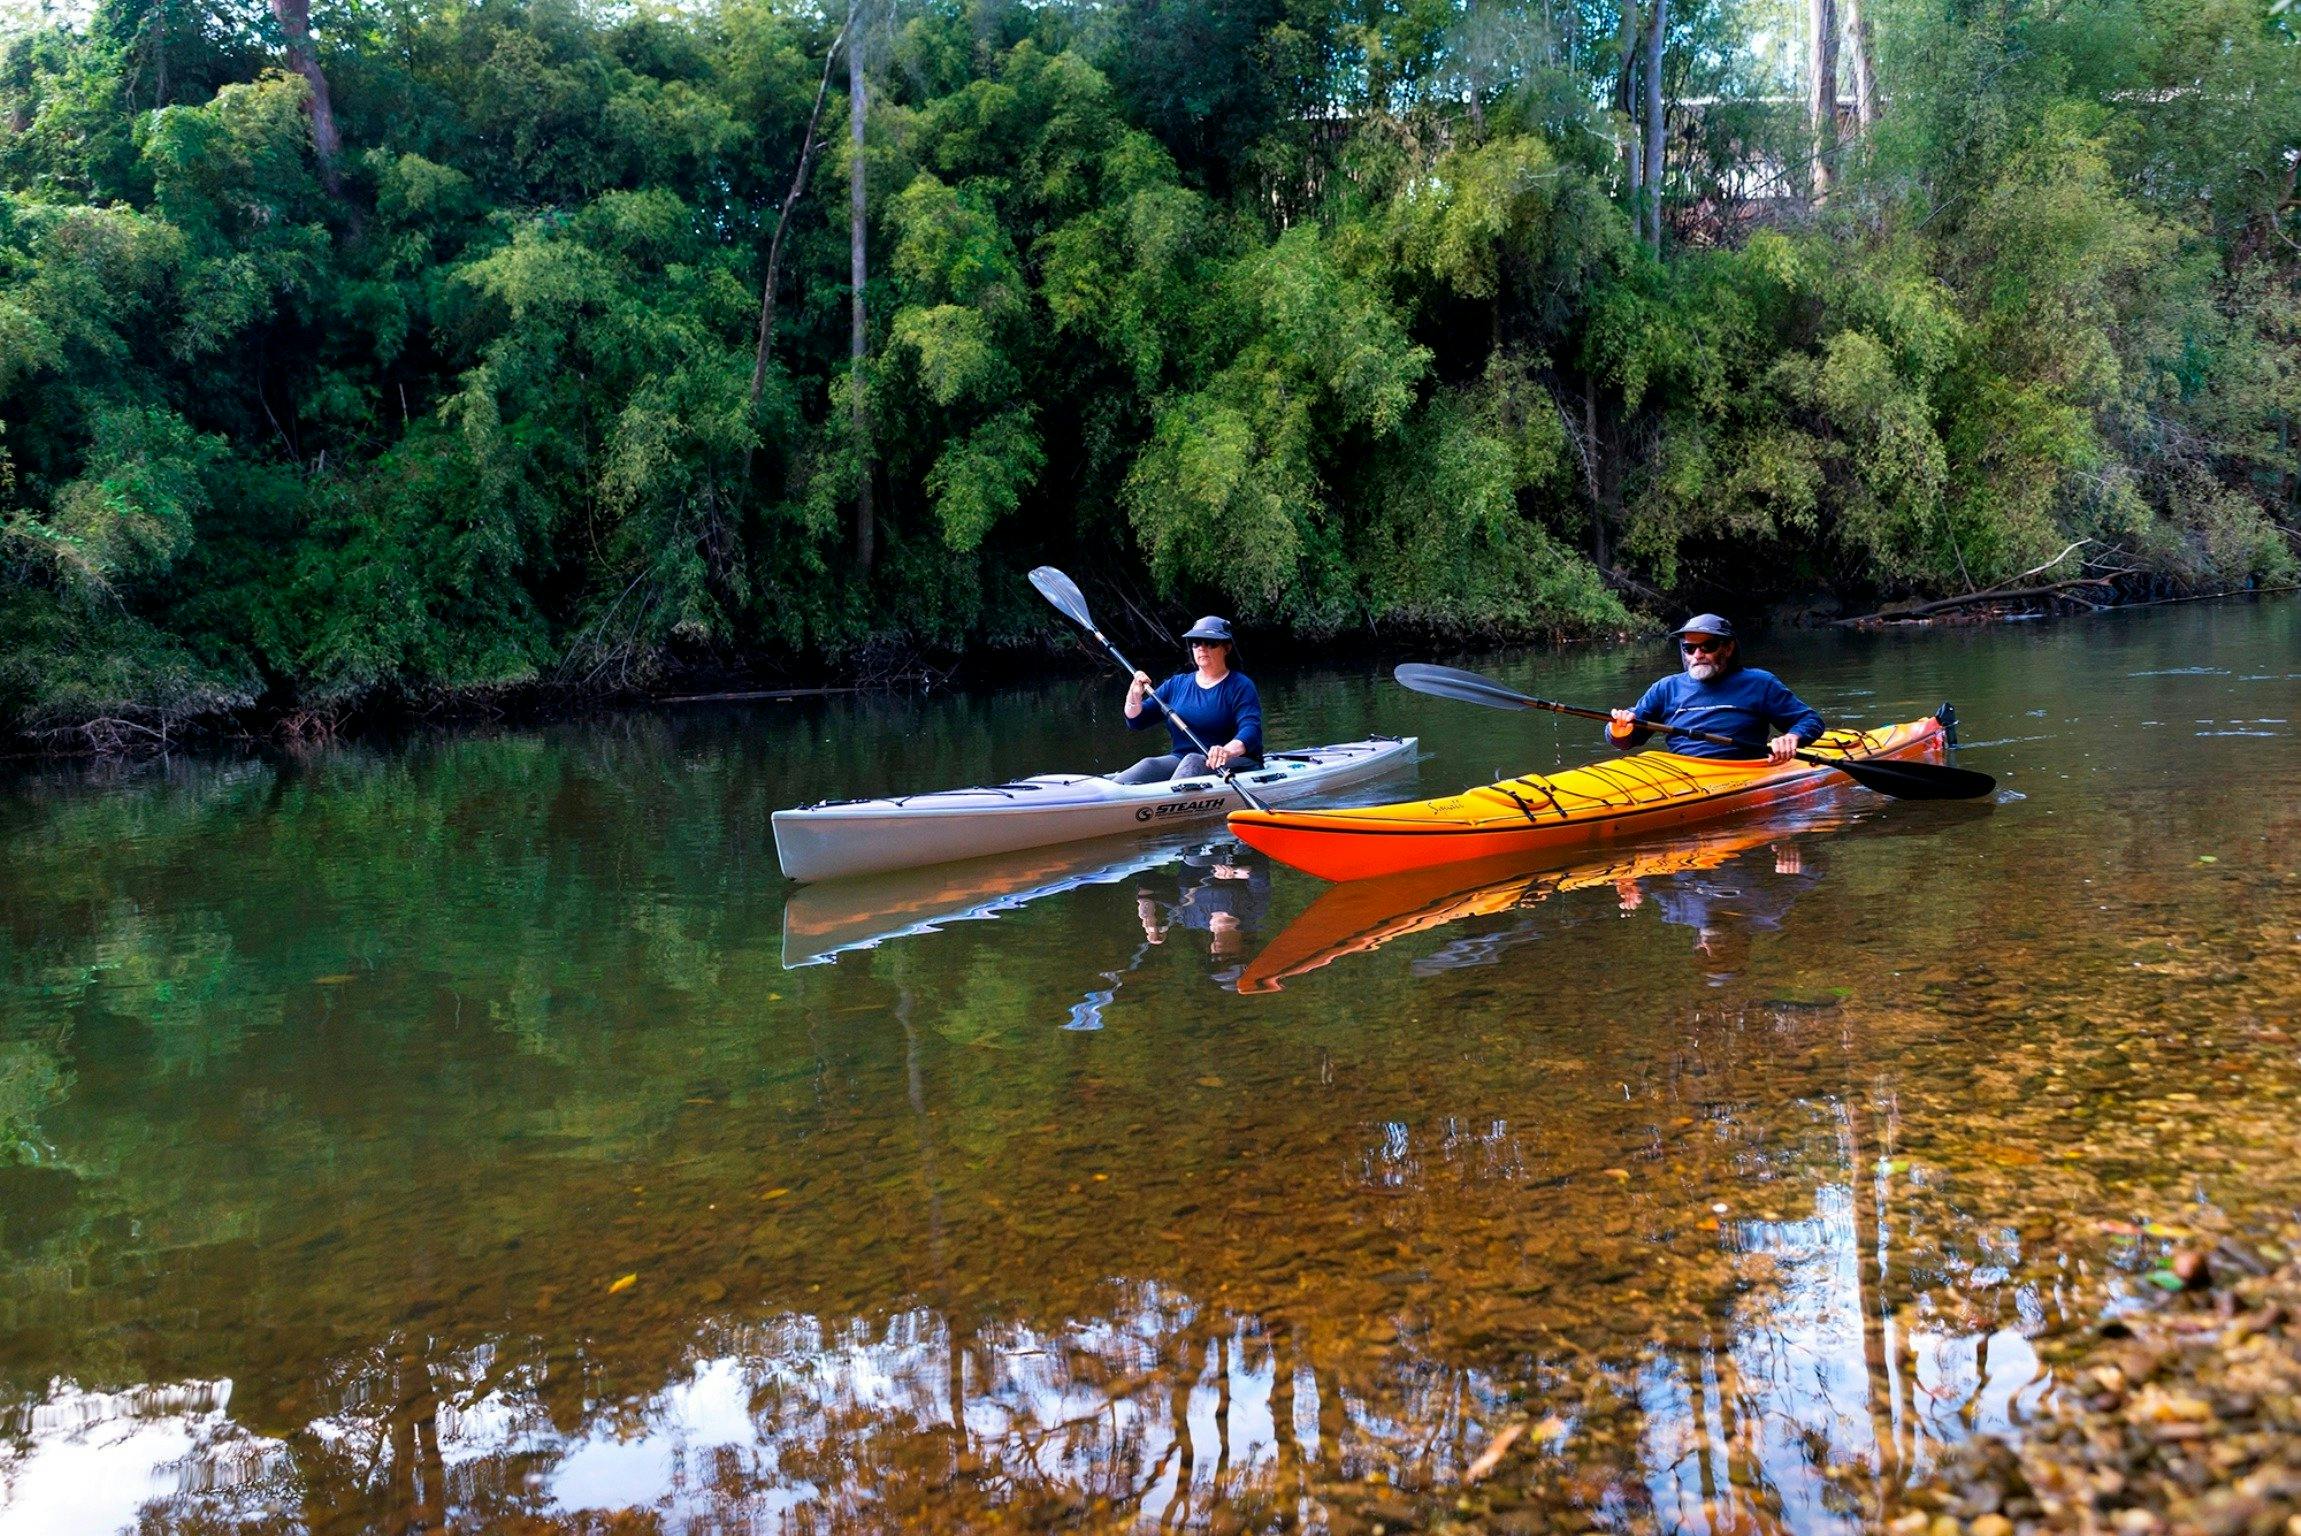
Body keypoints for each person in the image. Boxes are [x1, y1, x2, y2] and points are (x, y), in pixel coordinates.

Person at [1606, 614, 1824, 765]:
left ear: (1728, 648)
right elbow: (1626, 741)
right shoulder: (1665, 688)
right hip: (1682, 772)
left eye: (1707, 646)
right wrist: (1619, 728)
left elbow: (1810, 721)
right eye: (1689, 648)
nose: (1697, 655)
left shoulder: (1760, 683)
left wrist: (1792, 737)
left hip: (1741, 771)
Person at [1114, 616, 1263, 783]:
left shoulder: (1241, 686)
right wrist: (1134, 695)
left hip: (1230, 761)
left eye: (1211, 643)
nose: (1202, 648)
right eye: (1196, 643)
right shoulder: (1176, 684)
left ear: (1226, 648)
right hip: (1181, 759)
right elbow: (1136, 721)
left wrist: (1225, 751)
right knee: (1148, 764)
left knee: (1192, 761)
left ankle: (1168, 803)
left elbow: (1251, 731)